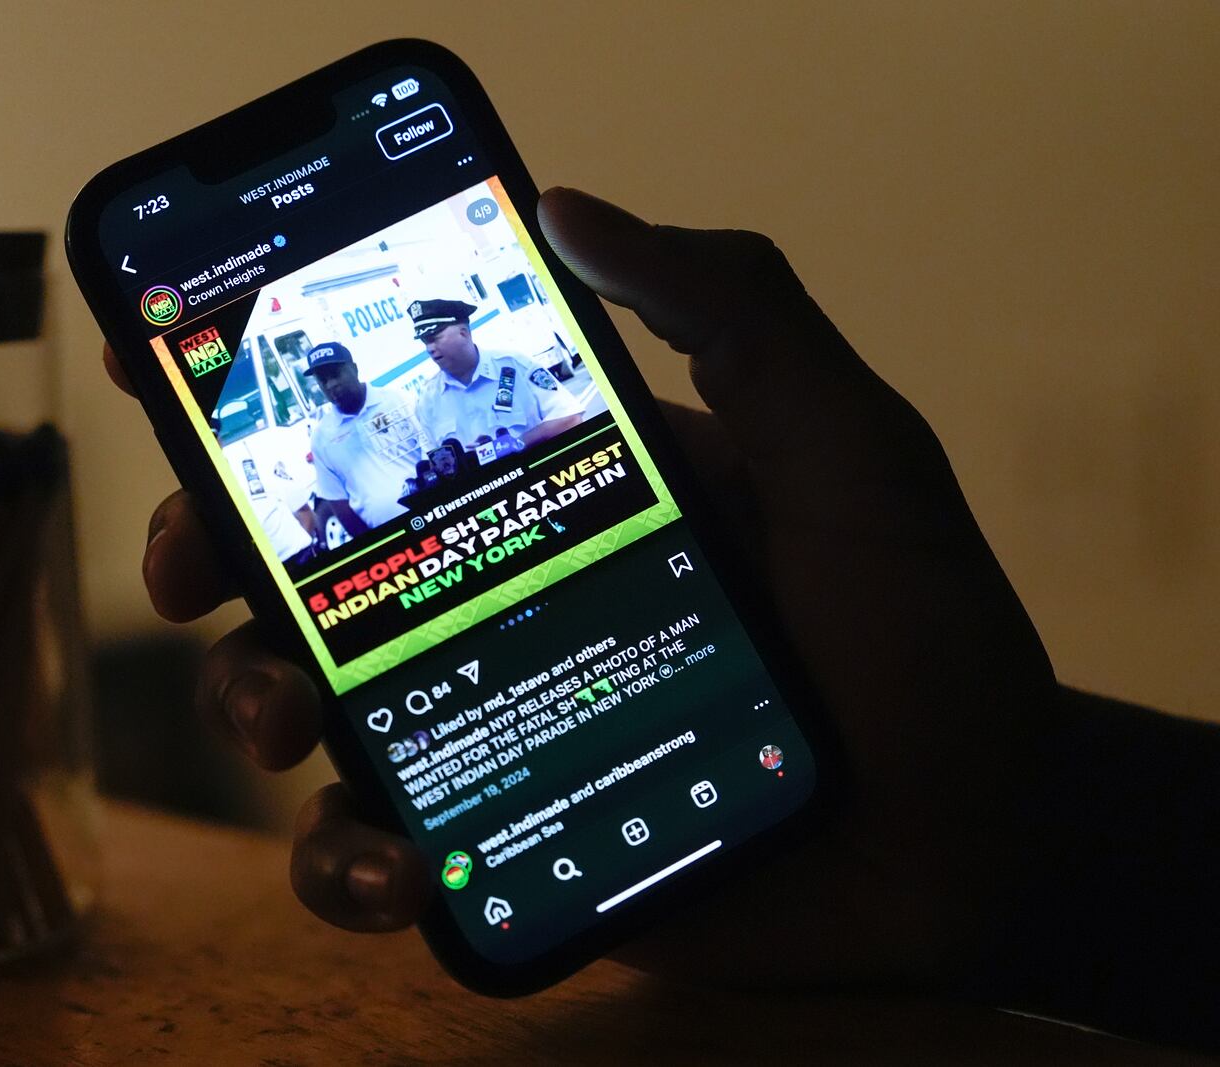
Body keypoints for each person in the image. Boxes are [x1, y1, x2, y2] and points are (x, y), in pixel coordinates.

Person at [110, 188, 1220, 1054]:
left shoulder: (490, 379)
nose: (373, 368)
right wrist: (1024, 848)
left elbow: (541, 426)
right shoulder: (342, 435)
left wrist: (1011, 840)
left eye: (381, 351)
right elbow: (366, 496)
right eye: (337, 366)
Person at [408, 298, 584, 449]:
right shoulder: (428, 400)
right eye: (425, 342)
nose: (430, 348)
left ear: (463, 333)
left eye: (435, 338)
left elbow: (570, 417)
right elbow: (434, 459)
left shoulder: (515, 366)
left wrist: (514, 445)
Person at [303, 341, 429, 537]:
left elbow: (433, 453)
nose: (331, 385)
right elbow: (338, 501)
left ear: (354, 369)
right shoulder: (322, 437)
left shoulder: (398, 400)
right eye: (323, 381)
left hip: (431, 516)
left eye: (336, 374)